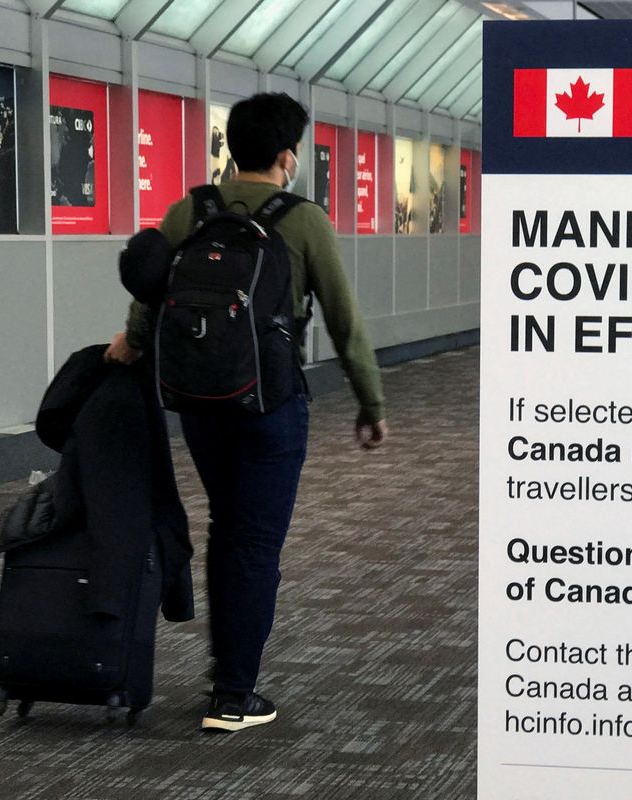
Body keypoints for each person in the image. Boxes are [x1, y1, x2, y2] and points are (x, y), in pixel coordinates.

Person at [105, 92, 387, 733]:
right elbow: (344, 318)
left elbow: (151, 288)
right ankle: (234, 693)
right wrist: (370, 401)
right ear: (288, 157)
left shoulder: (193, 209)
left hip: (200, 403)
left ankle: (225, 675)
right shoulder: (303, 220)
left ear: (233, 149)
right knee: (254, 544)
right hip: (272, 406)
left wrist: (133, 339)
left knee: (227, 529)